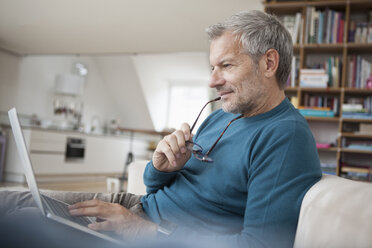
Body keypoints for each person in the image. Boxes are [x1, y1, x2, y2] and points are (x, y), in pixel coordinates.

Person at [0, 10, 322, 248]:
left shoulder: (285, 137)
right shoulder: (220, 115)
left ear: (268, 63)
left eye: (226, 65)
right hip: (133, 206)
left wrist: (145, 233)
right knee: (11, 202)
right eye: (212, 67)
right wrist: (160, 167)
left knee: (21, 221)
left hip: (152, 235)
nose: (212, 80)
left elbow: (261, 245)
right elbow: (155, 189)